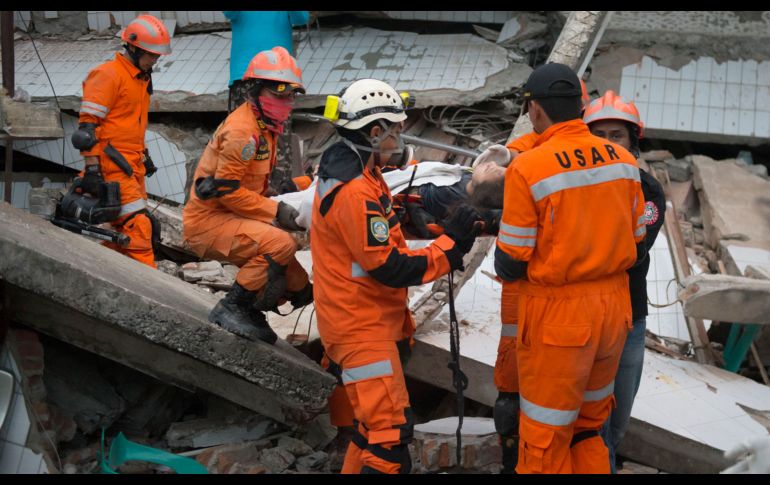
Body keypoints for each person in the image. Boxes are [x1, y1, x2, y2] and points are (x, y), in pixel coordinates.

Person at [310, 78, 482, 474]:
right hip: (361, 329)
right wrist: (450, 248)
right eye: (396, 131)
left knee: (369, 430)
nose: (400, 140)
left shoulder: (354, 171)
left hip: (358, 320)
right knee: (389, 438)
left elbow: (375, 238)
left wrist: (422, 227)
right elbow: (389, 268)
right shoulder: (355, 191)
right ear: (375, 132)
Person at [494, 63, 648, 474]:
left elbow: (510, 263)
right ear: (580, 107)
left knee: (544, 437)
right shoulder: (623, 161)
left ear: (535, 110)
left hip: (560, 321)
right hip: (614, 311)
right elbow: (636, 241)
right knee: (588, 428)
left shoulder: (529, 167)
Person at [182, 46, 312, 344]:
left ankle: (253, 310)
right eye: (279, 94)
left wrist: (295, 188)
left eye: (291, 95)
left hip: (234, 217)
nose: (286, 102)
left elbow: (253, 185)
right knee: (282, 244)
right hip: (209, 222)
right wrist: (275, 211)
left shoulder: (266, 127)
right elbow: (229, 194)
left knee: (298, 284)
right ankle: (233, 306)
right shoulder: (243, 131)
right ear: (256, 91)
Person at [583, 90, 665, 473]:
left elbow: (634, 250)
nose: (607, 143)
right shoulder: (567, 185)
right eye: (599, 135)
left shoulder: (648, 191)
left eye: (616, 135)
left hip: (629, 315)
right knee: (583, 418)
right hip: (580, 314)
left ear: (633, 141)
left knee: (617, 419)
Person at [70, 14, 172, 268]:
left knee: (126, 229)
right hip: (111, 165)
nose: (155, 60)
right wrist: (92, 169)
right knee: (139, 226)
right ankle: (149, 285)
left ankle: (100, 271)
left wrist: (144, 155)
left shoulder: (140, 78)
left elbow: (129, 124)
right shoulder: (108, 74)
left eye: (157, 56)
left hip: (131, 164)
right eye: (151, 55)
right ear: (134, 48)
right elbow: (86, 130)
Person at [224, 11, 309, 113]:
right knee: (243, 121)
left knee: (278, 121)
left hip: (280, 73)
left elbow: (301, 18)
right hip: (246, 74)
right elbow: (229, 13)